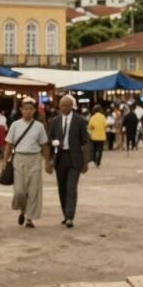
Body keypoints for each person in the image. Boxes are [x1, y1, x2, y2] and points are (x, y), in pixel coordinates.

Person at [2, 98, 51, 228]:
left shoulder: (39, 126)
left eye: (30, 109)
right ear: (21, 110)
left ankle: (29, 218)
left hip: (35, 159)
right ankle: (22, 209)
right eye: (25, 109)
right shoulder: (15, 125)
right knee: (19, 191)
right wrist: (5, 161)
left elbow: (44, 145)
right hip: (19, 158)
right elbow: (9, 144)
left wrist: (47, 162)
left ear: (34, 111)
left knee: (33, 190)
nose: (28, 111)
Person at [48, 95, 90, 228]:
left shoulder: (80, 121)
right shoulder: (55, 121)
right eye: (62, 105)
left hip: (75, 159)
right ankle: (65, 214)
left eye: (67, 105)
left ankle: (70, 216)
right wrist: (49, 159)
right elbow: (49, 141)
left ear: (72, 106)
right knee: (62, 188)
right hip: (60, 159)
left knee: (71, 187)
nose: (64, 107)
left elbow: (86, 142)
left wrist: (86, 161)